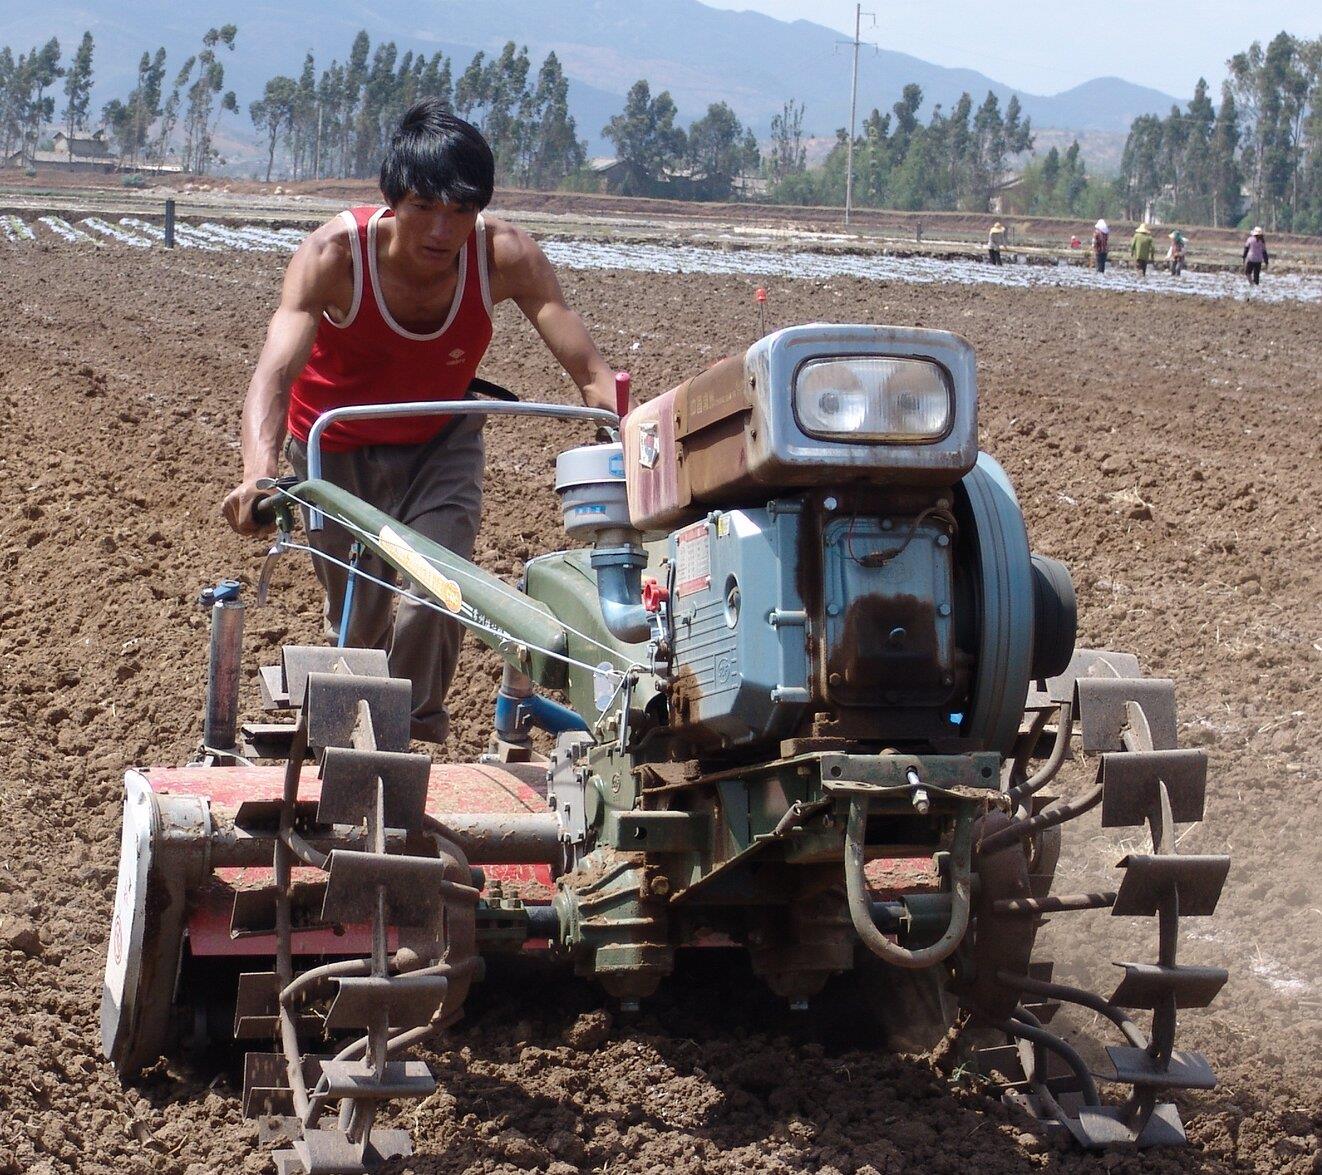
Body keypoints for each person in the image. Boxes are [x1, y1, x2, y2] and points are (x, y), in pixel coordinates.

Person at [221, 100, 616, 742]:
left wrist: (625, 425)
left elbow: (589, 367)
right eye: (424, 207)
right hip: (335, 448)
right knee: (360, 612)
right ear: (394, 198)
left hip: (439, 439)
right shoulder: (334, 257)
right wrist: (259, 471)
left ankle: (411, 734)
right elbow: (273, 374)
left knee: (445, 583)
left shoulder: (503, 255)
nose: (442, 230)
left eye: (461, 211)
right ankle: (344, 734)